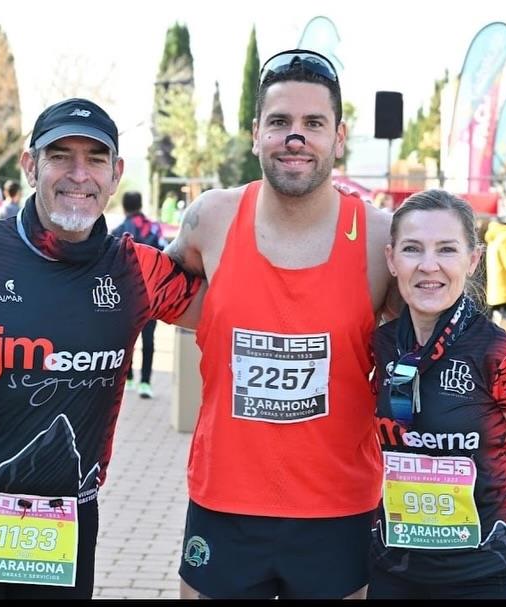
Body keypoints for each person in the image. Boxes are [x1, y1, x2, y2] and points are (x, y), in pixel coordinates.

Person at [0, 98, 203, 599]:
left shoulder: (140, 270)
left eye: (95, 159)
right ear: (30, 166)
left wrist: (223, 214)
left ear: (116, 174)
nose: (78, 174)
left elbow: (236, 309)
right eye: (60, 156)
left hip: (66, 521)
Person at [165, 48, 397, 599]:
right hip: (225, 501)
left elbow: (441, 339)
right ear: (256, 135)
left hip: (338, 507)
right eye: (279, 122)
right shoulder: (211, 218)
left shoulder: (380, 237)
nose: (296, 137)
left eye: (313, 123)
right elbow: (155, 291)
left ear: (339, 138)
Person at [369, 189, 506, 599]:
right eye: (412, 249)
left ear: (473, 260)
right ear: (392, 259)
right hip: (395, 573)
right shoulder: (380, 345)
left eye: (446, 249)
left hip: (492, 577)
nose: (428, 265)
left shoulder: (500, 354)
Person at [111, 191, 168, 399]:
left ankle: (127, 377)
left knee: (127, 338)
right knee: (149, 339)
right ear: (140, 204)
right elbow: (167, 254)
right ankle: (145, 382)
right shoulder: (154, 228)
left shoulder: (119, 231)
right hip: (152, 293)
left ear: (124, 207)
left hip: (127, 295)